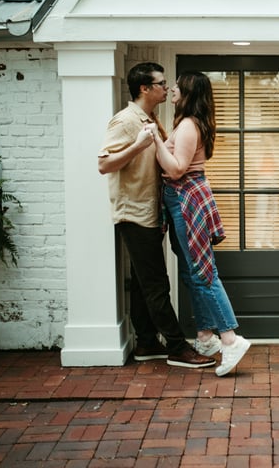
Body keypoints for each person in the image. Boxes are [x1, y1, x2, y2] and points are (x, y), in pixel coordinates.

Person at [98, 62, 215, 369]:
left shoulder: (151, 118)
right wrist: (138, 146)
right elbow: (104, 165)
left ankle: (147, 343)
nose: (167, 88)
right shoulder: (125, 121)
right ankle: (177, 348)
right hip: (134, 213)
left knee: (140, 281)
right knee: (156, 284)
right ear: (144, 88)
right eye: (162, 84)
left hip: (151, 212)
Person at [151, 70, 250, 377]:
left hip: (186, 200)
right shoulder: (186, 123)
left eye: (177, 87)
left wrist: (155, 138)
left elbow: (178, 169)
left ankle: (231, 339)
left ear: (188, 93)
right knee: (191, 272)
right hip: (180, 199)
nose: (172, 91)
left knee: (203, 272)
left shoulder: (190, 126)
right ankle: (206, 336)